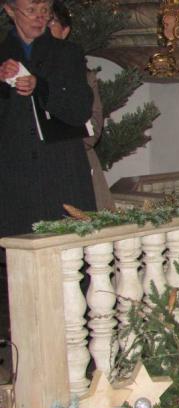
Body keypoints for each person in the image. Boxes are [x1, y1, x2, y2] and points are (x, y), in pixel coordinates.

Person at [1, 0, 94, 306]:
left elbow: (81, 109)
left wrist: (42, 87)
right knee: (23, 287)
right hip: (16, 186)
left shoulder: (66, 53)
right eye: (30, 10)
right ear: (10, 10)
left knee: (70, 279)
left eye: (45, 10)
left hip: (62, 179)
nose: (39, 18)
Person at [48, 0, 114, 210]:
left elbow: (92, 130)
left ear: (65, 31)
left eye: (52, 23)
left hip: (75, 164)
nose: (45, 30)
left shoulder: (83, 76)